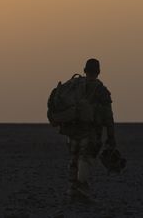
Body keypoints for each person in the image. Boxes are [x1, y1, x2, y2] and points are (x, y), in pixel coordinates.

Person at [48, 58, 116, 200]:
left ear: (85, 70)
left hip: (72, 130)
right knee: (86, 158)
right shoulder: (101, 90)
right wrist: (111, 137)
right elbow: (108, 117)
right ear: (98, 72)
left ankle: (72, 189)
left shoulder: (74, 85)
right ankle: (81, 187)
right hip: (89, 131)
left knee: (73, 158)